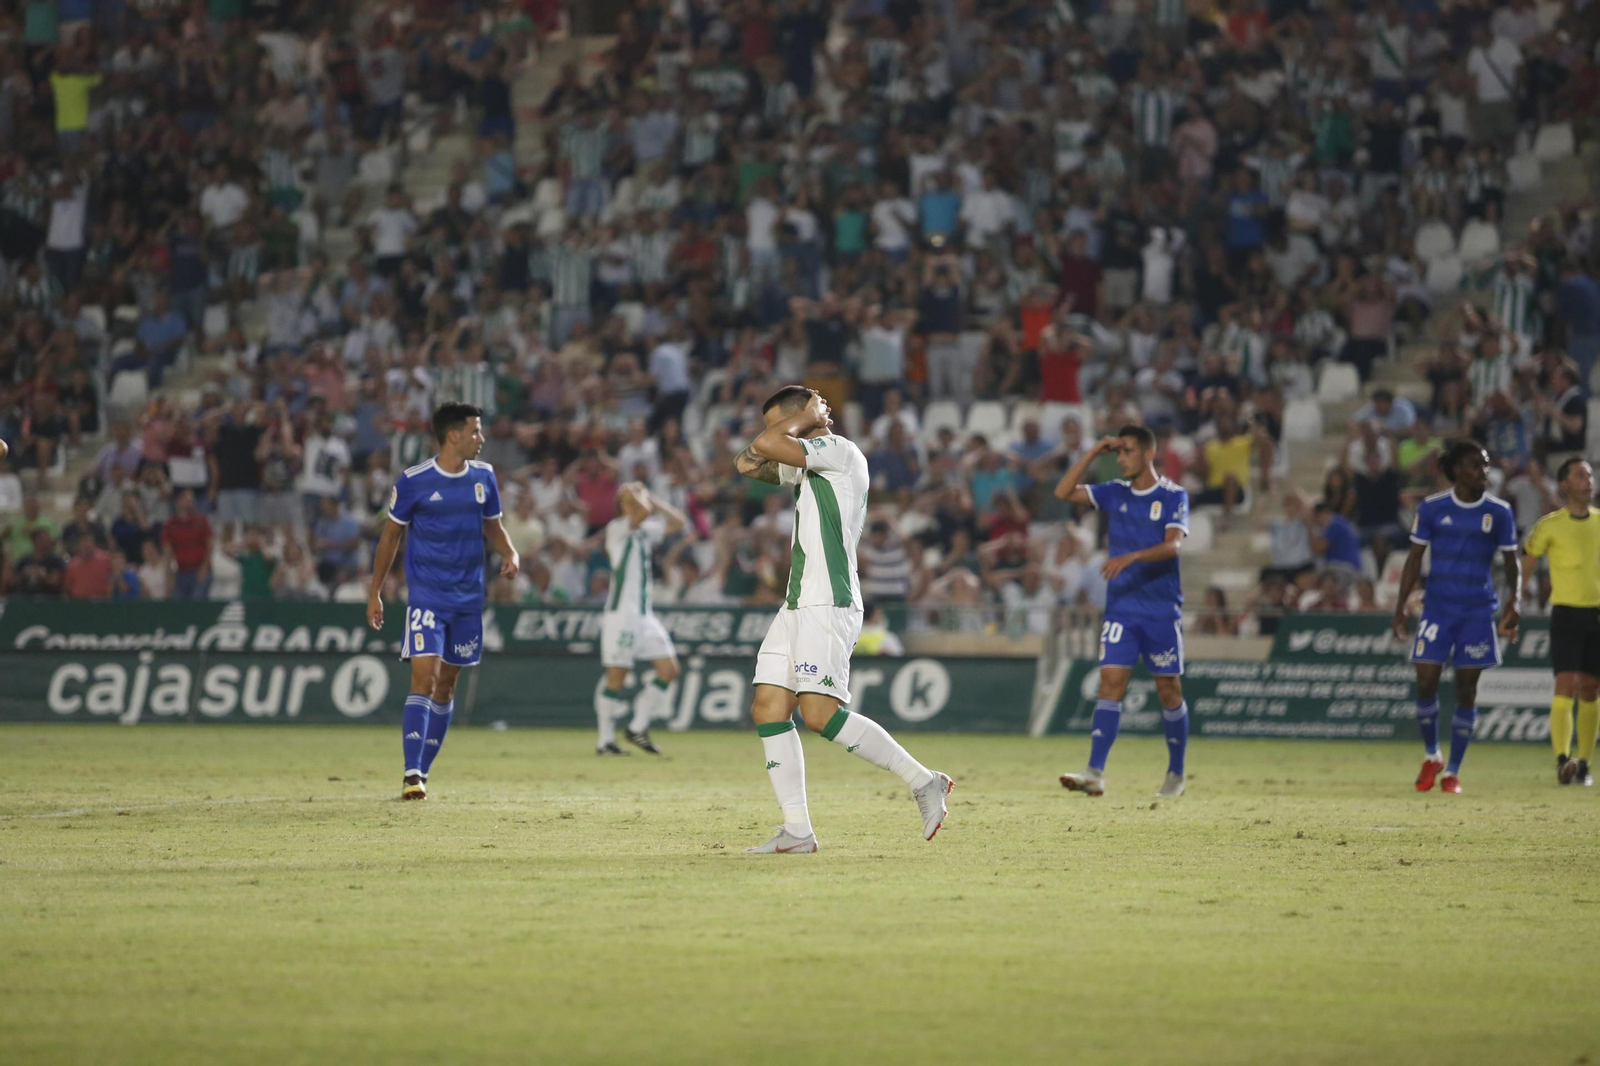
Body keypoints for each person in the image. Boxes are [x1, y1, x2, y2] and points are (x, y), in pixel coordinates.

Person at [733, 386, 952, 853]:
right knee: (768, 707)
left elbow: (765, 446)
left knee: (820, 715)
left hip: (828, 599)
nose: (776, 432)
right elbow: (746, 463)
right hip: (797, 602)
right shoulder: (807, 460)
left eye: (782, 421)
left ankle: (924, 780)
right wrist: (793, 425)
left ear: (803, 416)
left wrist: (803, 419)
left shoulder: (838, 450)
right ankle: (797, 831)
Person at [367, 403, 520, 801]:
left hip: (468, 600)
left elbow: (492, 525)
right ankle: (411, 773)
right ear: (453, 435)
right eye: (475, 431)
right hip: (427, 597)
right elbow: (390, 536)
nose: (481, 438)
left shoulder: (484, 476)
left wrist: (509, 552)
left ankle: (423, 771)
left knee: (447, 685)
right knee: (425, 678)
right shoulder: (414, 480)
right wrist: (375, 591)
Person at [1051, 425, 1191, 798]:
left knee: (1169, 690)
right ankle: (1095, 772)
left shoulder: (1173, 495)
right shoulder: (1115, 492)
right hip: (1121, 610)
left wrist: (1131, 557)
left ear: (1148, 453)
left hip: (1161, 610)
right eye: (1119, 453)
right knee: (1110, 682)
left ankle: (1176, 774)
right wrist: (1093, 452)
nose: (1122, 458)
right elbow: (1062, 492)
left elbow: (1173, 546)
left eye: (1128, 451)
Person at [1391, 441, 1521, 795]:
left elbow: (1512, 562)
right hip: (1437, 609)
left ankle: (1453, 772)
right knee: (1425, 681)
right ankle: (1432, 755)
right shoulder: (1433, 508)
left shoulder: (1499, 512)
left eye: (1486, 463)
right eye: (1476, 464)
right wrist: (1400, 608)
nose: (1484, 470)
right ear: (1457, 470)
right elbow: (1414, 559)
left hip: (1477, 612)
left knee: (1466, 691)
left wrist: (1516, 601)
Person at [1522, 459, 1600, 786]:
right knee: (1565, 684)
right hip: (1566, 613)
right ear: (1564, 485)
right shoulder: (1549, 525)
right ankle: (1562, 760)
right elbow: (1526, 566)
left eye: (1590, 475)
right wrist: (1513, 604)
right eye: (1580, 475)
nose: (1588, 481)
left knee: (1591, 690)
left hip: (1597, 613)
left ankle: (1584, 764)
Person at [595, 482, 688, 756]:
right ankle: (605, 741)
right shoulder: (617, 528)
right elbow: (643, 512)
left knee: (669, 669)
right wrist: (640, 496)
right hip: (622, 616)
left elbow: (679, 522)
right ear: (621, 507)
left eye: (634, 499)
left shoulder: (645, 530)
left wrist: (651, 496)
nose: (633, 503)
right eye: (627, 500)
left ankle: (636, 728)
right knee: (616, 678)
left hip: (644, 615)